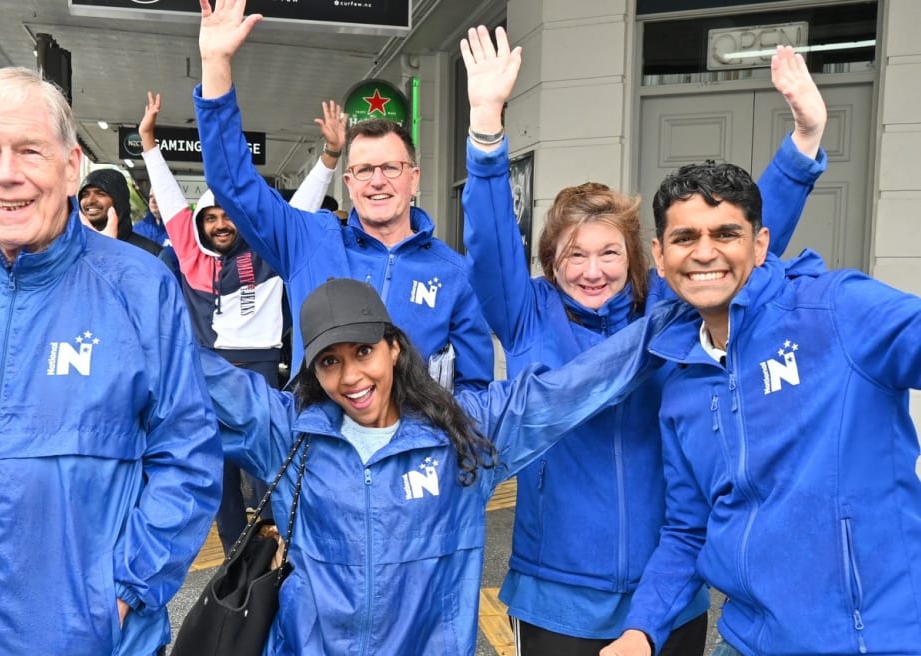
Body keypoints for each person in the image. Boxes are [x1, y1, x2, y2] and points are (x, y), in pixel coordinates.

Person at [459, 26, 828, 655]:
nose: (593, 270)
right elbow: (492, 242)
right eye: (575, 255)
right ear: (550, 260)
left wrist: (802, 145)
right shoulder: (526, 315)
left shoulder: (665, 309)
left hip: (668, 588)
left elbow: (737, 243)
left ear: (640, 256)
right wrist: (488, 127)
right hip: (557, 595)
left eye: (610, 252)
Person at [0, 67, 223, 655]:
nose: (6, 173)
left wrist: (121, 596)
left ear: (70, 164)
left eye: (30, 150)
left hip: (83, 638)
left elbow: (187, 457)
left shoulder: (139, 287)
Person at [198, 276, 679, 655]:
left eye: (363, 351)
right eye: (329, 362)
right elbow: (187, 368)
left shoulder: (463, 434)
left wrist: (684, 312)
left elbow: (575, 385)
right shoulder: (288, 433)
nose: (351, 377)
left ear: (394, 348)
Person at [597, 158, 921, 656]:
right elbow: (689, 530)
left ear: (760, 244)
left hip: (871, 641)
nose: (705, 253)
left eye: (726, 233)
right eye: (685, 238)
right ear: (660, 257)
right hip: (746, 642)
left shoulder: (835, 310)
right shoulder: (681, 383)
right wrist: (640, 632)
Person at [194, 0, 494, 393]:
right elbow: (233, 184)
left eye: (391, 168)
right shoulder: (310, 241)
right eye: (365, 170)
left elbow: (474, 390)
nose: (378, 181)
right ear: (349, 183)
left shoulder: (453, 273)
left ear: (414, 178)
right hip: (317, 448)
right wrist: (216, 64)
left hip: (411, 450)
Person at [139, 89, 294, 550]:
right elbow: (169, 201)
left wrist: (327, 157)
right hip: (212, 368)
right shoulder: (190, 253)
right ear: (202, 223)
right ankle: (233, 552)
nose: (221, 224)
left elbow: (302, 201)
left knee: (268, 463)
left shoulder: (269, 250)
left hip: (263, 367)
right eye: (212, 217)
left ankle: (272, 547)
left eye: (229, 216)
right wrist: (148, 143)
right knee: (221, 467)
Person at [79, 167, 163, 255]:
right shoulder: (70, 249)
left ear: (119, 200)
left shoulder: (151, 253)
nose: (90, 201)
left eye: (101, 194)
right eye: (85, 195)